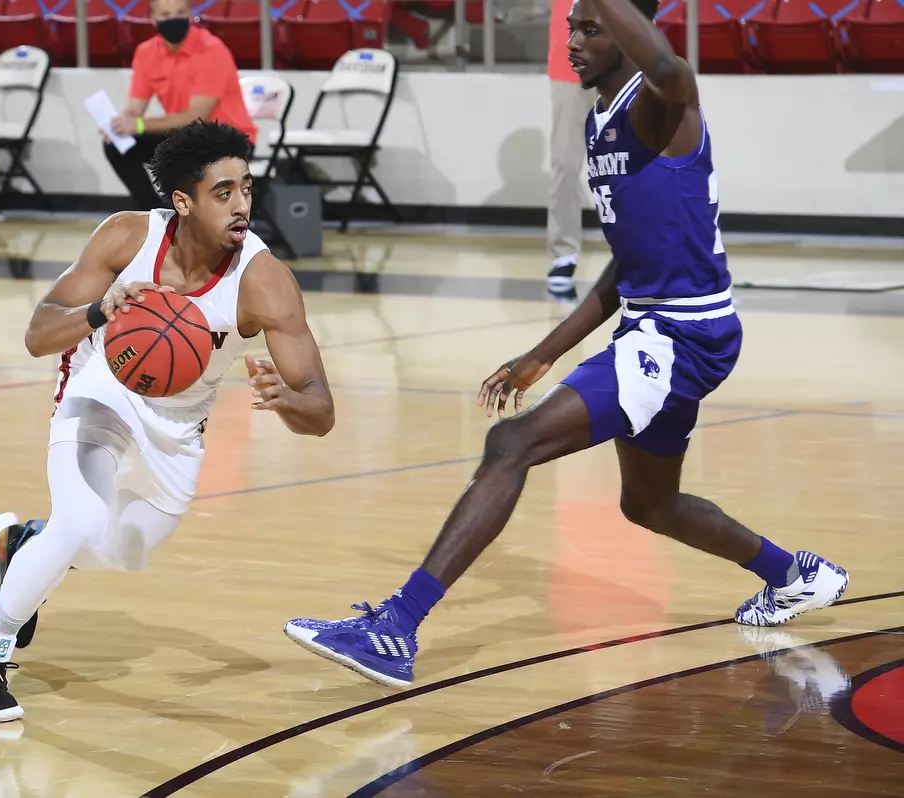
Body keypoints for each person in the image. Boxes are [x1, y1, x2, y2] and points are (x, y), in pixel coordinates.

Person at [282, 0, 850, 689]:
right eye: (570, 28)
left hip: (684, 333)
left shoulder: (660, 104)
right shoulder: (598, 122)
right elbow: (626, 264)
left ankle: (395, 628)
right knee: (649, 505)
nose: (572, 42)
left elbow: (670, 65)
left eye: (590, 28)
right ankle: (795, 575)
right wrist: (545, 351)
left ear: (628, 33)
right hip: (654, 324)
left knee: (511, 444)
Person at [0, 121, 335, 723]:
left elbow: (321, 412)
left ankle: (22, 545)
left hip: (179, 426)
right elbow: (37, 335)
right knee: (79, 519)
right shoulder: (127, 237)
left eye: (247, 189)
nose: (242, 205)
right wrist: (101, 310)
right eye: (223, 192)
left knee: (125, 553)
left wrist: (286, 398)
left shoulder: (263, 280)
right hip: (101, 388)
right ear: (183, 202)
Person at [102, 0, 257, 211]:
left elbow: (196, 116)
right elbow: (134, 108)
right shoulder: (146, 52)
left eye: (180, 13)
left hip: (227, 137)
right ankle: (153, 214)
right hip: (185, 136)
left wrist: (137, 125)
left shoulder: (211, 50)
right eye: (166, 14)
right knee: (117, 144)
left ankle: (191, 221)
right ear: (153, 18)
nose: (173, 19)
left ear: (190, 14)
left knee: (185, 158)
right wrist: (119, 124)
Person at [546, 0, 597, 302]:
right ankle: (563, 255)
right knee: (565, 163)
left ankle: (643, 248)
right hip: (569, 68)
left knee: (635, 163)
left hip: (621, 63)